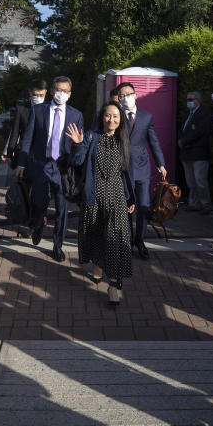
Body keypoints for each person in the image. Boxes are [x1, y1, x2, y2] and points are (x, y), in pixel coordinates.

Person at [67, 103, 136, 305]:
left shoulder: (123, 139)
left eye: (115, 116)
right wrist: (78, 144)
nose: (111, 120)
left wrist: (130, 198)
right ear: (102, 117)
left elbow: (126, 173)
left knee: (115, 239)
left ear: (120, 119)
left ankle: (113, 285)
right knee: (96, 236)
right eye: (108, 115)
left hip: (116, 197)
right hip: (94, 196)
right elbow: (77, 161)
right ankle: (97, 267)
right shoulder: (91, 136)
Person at [15, 76, 85, 262]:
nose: (61, 93)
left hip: (63, 167)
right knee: (39, 202)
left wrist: (78, 147)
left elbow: (80, 145)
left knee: (62, 208)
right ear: (52, 90)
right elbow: (27, 138)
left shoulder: (76, 115)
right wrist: (21, 163)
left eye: (65, 91)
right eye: (58, 89)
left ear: (70, 94)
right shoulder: (38, 111)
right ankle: (37, 224)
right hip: (40, 164)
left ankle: (57, 245)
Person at [117, 82, 167, 260]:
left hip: (142, 166)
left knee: (144, 206)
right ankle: (128, 241)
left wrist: (160, 163)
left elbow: (153, 141)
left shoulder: (146, 117)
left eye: (128, 94)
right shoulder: (117, 116)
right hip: (122, 168)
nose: (125, 98)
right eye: (121, 95)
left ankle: (140, 239)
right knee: (126, 207)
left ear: (135, 95)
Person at [178, 91, 213, 213]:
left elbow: (200, 132)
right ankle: (194, 203)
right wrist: (180, 140)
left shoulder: (204, 114)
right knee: (191, 182)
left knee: (200, 180)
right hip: (187, 154)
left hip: (199, 153)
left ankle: (205, 204)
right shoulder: (188, 115)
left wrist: (184, 141)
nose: (189, 102)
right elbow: (183, 130)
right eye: (188, 99)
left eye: (191, 99)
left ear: (197, 100)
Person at [2, 78, 47, 162]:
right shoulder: (21, 109)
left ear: (45, 92)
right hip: (25, 152)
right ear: (30, 92)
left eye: (41, 95)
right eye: (35, 95)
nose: (38, 98)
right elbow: (15, 132)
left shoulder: (49, 109)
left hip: (44, 153)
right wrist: (9, 154)